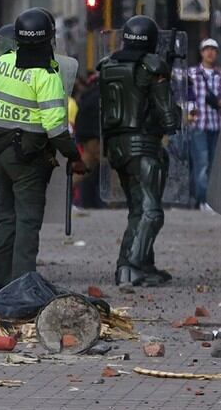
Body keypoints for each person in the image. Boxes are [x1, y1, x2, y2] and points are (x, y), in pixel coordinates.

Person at [0, 8, 86, 296]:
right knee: (27, 222)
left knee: (7, 219)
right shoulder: (45, 75)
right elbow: (55, 127)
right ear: (48, 39)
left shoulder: (2, 63)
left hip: (1, 155)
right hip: (29, 160)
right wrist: (74, 156)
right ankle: (22, 287)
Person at [98, 15, 179, 289]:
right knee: (151, 211)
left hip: (116, 146)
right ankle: (131, 268)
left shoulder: (108, 64)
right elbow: (167, 113)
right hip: (143, 143)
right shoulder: (152, 66)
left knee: (137, 208)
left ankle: (141, 263)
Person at [186, 38, 221, 212]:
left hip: (216, 125)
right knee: (202, 164)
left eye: (213, 50)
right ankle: (203, 201)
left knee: (214, 167)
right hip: (198, 125)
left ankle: (204, 199)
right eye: (207, 49)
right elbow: (186, 95)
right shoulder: (191, 74)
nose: (210, 52)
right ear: (201, 52)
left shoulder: (219, 75)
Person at [74, 71, 102, 208]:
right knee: (90, 161)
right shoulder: (102, 93)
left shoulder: (93, 93)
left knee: (89, 162)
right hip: (92, 131)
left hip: (87, 130)